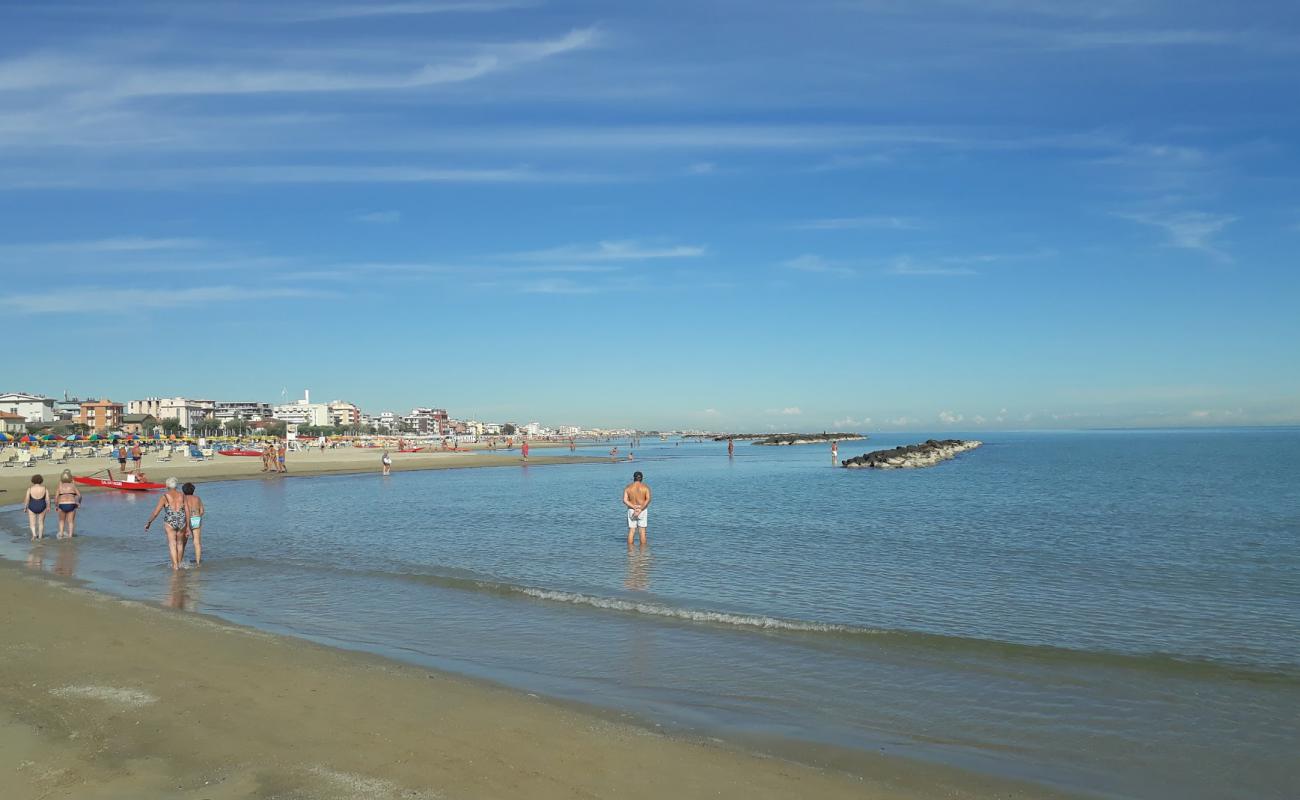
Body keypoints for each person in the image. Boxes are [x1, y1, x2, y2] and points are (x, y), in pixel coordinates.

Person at [145, 477, 190, 570]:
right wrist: (188, 526)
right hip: (182, 521)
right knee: (180, 544)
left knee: (172, 544)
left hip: (170, 521)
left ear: (167, 486)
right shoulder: (182, 495)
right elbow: (187, 511)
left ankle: (175, 566)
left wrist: (149, 522)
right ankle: (180, 563)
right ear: (176, 485)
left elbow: (156, 512)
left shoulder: (165, 496)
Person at [623, 471, 651, 546]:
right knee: (642, 531)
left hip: (631, 510)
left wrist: (633, 507)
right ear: (642, 478)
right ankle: (643, 554)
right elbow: (648, 499)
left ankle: (630, 553)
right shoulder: (645, 487)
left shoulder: (628, 487)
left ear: (633, 478)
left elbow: (625, 500)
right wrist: (640, 509)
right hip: (642, 510)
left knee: (631, 531)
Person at [181, 482, 205, 566]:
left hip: (185, 519)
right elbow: (202, 511)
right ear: (193, 490)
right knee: (197, 541)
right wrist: (197, 516)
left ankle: (180, 561)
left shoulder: (182, 499)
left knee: (183, 542)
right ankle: (198, 562)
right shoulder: (197, 498)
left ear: (183, 491)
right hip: (196, 518)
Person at [55, 469, 82, 539]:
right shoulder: (73, 486)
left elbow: (56, 497)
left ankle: (61, 534)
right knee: (70, 522)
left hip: (62, 504)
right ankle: (70, 536)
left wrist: (56, 506)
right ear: (70, 478)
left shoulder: (60, 486)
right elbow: (79, 496)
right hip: (71, 504)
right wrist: (78, 503)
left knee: (61, 521)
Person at [24, 474, 49, 540]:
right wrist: (48, 507)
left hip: (32, 505)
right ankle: (40, 537)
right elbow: (47, 499)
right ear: (41, 480)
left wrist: (25, 507)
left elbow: (27, 499)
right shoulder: (45, 488)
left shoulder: (30, 489)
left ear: (33, 481)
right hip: (42, 505)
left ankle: (34, 535)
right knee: (41, 522)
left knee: (32, 522)